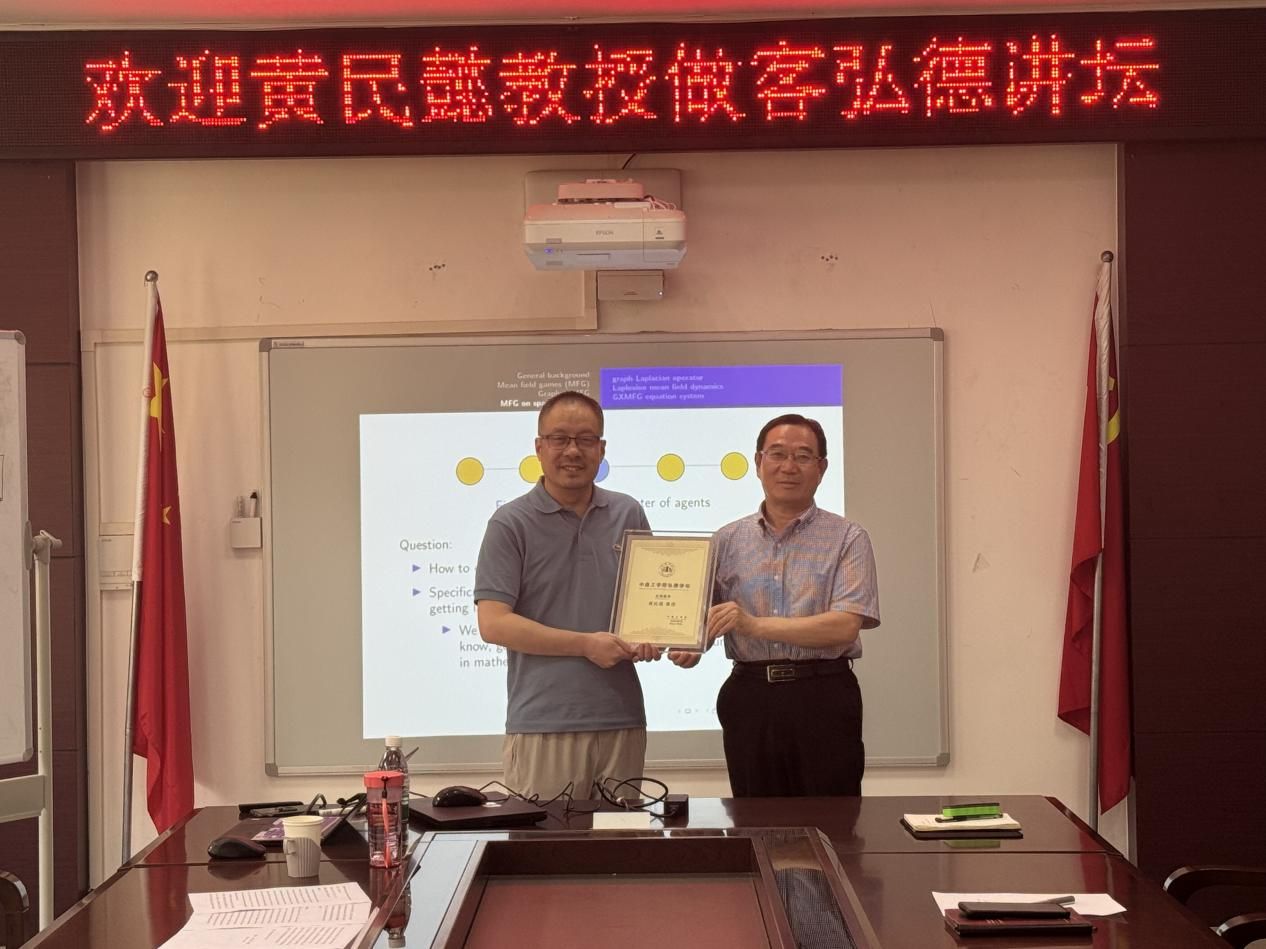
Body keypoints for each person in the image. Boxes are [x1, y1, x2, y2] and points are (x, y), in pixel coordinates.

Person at [474, 390, 661, 800]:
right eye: (559, 439)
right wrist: (585, 645)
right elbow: (493, 624)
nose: (572, 450)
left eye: (585, 439)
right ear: (539, 447)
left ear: (601, 449)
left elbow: (651, 605)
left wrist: (666, 637)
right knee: (545, 841)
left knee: (622, 838)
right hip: (543, 723)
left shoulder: (628, 513)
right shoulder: (510, 523)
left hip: (621, 718)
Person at [705, 413, 880, 797]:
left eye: (802, 456)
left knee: (833, 820)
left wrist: (754, 625)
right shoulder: (726, 540)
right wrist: (685, 642)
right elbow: (703, 621)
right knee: (754, 819)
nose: (788, 466)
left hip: (823, 696)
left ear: (821, 468)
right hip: (749, 696)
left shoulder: (848, 537)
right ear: (758, 462)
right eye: (777, 454)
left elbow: (844, 626)